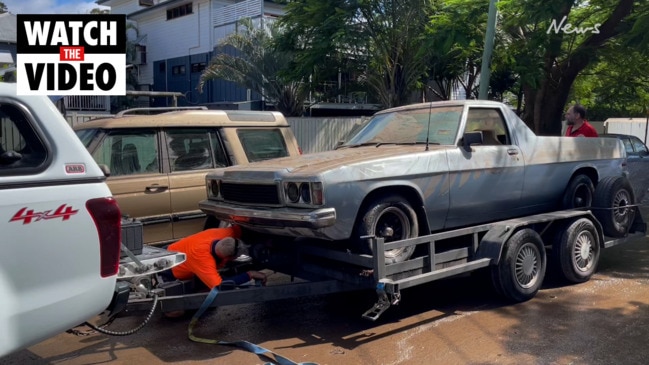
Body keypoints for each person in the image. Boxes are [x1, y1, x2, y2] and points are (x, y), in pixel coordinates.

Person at [162, 225, 267, 289]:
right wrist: (250, 274)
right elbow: (219, 286)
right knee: (176, 312)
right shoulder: (203, 260)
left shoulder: (222, 234)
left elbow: (240, 229)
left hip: (170, 251)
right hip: (167, 269)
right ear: (229, 258)